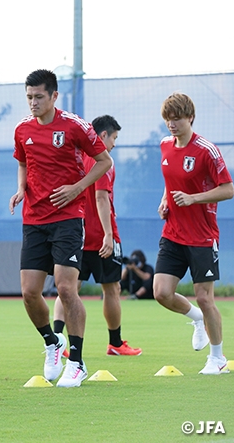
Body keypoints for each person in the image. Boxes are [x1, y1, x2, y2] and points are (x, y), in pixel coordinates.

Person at [9, 69, 112, 387]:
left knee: (67, 288)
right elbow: (23, 160)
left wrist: (76, 188)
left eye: (39, 97)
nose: (33, 103)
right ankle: (52, 343)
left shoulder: (74, 126)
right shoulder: (22, 129)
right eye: (29, 97)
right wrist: (21, 188)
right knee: (29, 293)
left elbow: (104, 161)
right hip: (34, 219)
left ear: (54, 96)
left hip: (68, 217)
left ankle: (77, 362)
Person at [153, 92, 233, 375]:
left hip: (202, 236)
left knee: (205, 297)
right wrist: (166, 200)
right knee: (161, 292)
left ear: (190, 118)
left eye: (176, 119)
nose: (171, 125)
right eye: (167, 120)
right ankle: (197, 319)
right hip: (173, 232)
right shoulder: (164, 145)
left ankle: (217, 357)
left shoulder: (206, 150)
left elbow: (228, 189)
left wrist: (194, 198)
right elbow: (170, 179)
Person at [53, 115, 141, 356]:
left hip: (75, 234)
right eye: (114, 138)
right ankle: (115, 343)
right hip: (100, 236)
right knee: (111, 289)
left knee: (68, 288)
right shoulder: (103, 161)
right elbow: (101, 197)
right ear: (103, 135)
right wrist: (108, 235)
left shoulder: (77, 157)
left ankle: (57, 341)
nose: (114, 144)